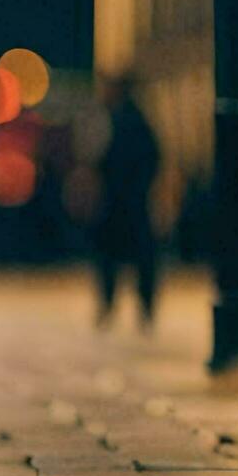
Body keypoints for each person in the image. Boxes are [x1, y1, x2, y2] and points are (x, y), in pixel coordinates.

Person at [94, 74, 161, 330]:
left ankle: (135, 308)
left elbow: (148, 158)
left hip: (126, 201)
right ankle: (128, 308)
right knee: (125, 258)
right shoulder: (117, 118)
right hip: (125, 201)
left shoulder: (127, 120)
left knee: (127, 258)